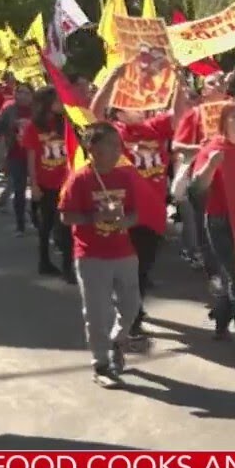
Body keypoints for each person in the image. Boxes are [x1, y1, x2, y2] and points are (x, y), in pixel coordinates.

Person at [90, 64, 174, 335]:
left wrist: (180, 83)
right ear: (119, 111)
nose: (139, 107)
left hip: (154, 209)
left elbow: (181, 113)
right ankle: (131, 317)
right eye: (130, 104)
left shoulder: (155, 127)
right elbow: (93, 113)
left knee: (145, 265)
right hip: (125, 211)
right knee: (129, 267)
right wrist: (113, 78)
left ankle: (131, 307)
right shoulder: (113, 132)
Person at [58, 122, 143, 389]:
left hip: (124, 252)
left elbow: (134, 213)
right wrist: (94, 217)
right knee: (96, 313)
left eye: (119, 144)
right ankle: (101, 363)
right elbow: (65, 215)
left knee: (131, 305)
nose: (118, 150)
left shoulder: (125, 177)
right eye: (111, 145)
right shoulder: (80, 178)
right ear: (93, 149)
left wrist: (123, 222)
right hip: (91, 255)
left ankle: (119, 339)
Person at [190, 100, 235, 357]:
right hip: (222, 223)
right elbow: (197, 190)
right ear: (223, 123)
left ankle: (221, 315)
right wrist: (211, 165)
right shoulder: (213, 149)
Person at [174, 71, 229, 274]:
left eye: (222, 82)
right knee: (207, 229)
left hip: (233, 181)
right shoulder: (194, 115)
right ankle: (215, 274)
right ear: (204, 91)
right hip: (205, 180)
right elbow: (176, 145)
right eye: (213, 83)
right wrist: (203, 149)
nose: (220, 85)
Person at [22, 87, 75, 283]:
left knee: (66, 225)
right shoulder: (33, 127)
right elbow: (31, 157)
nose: (61, 103)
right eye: (57, 100)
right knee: (46, 226)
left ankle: (68, 267)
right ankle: (44, 261)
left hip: (66, 183)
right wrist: (33, 184)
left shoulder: (66, 123)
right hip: (45, 184)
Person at [0, 84, 34, 236]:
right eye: (20, 92)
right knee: (19, 190)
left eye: (26, 93)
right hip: (16, 155)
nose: (22, 96)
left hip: (36, 157)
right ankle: (20, 224)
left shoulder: (38, 110)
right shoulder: (9, 111)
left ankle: (36, 218)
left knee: (38, 191)